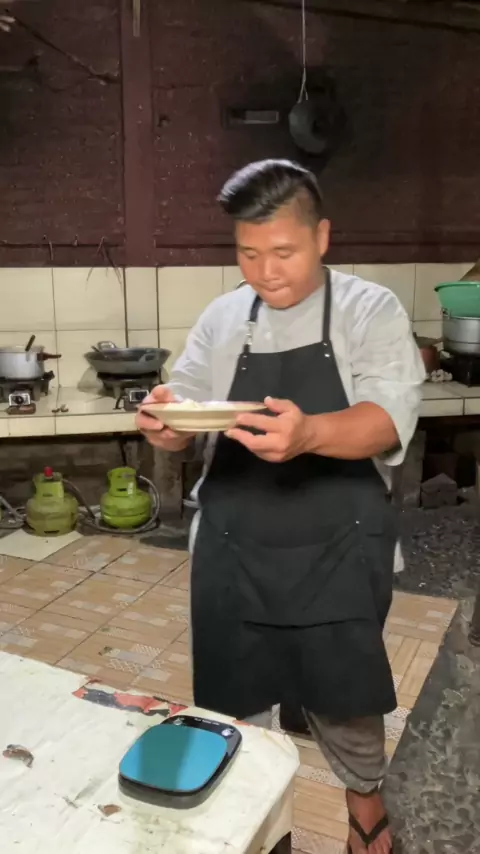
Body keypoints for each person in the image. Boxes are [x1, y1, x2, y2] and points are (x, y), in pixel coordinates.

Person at [136, 159, 425, 854]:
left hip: (337, 538)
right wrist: (167, 423)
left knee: (344, 690)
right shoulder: (223, 317)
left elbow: (388, 419)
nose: (265, 272)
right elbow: (187, 404)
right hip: (234, 539)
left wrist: (310, 434)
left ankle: (365, 809)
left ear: (322, 236)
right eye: (248, 253)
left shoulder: (369, 309)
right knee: (233, 701)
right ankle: (259, 829)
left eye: (283, 252)